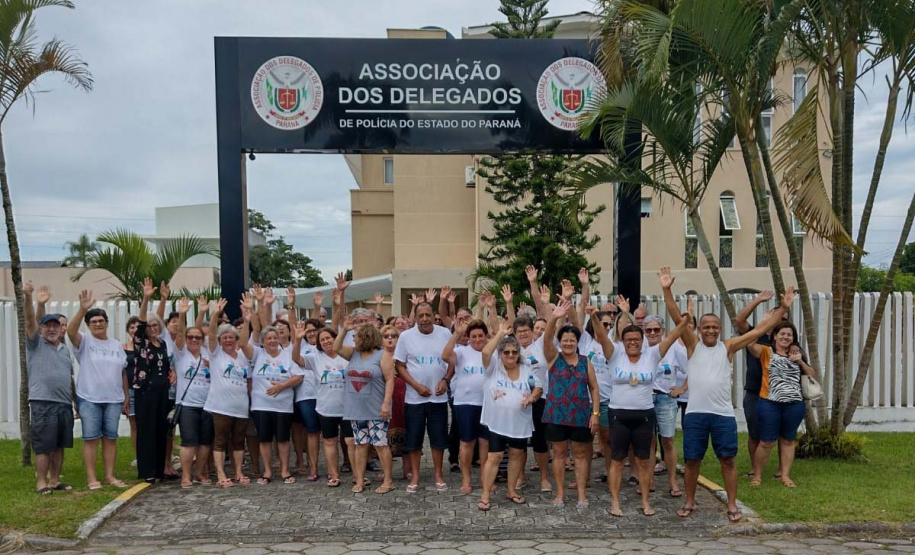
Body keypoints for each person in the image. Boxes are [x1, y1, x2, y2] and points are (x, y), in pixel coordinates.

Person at [663, 267, 795, 523]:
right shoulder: (692, 345)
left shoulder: (728, 347)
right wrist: (667, 289)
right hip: (696, 414)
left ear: (720, 329)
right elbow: (675, 314)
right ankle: (689, 502)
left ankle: (732, 505)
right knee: (692, 461)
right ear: (698, 329)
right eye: (706, 327)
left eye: (715, 327)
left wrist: (783, 309)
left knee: (728, 460)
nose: (711, 331)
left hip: (722, 415)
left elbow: (759, 331)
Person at [607, 299, 690, 517]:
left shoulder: (652, 355)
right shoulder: (615, 354)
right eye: (628, 339)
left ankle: (645, 502)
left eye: (636, 339)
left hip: (644, 414)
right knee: (617, 461)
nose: (632, 342)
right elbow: (601, 334)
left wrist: (685, 321)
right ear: (623, 341)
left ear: (642, 340)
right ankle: (615, 502)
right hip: (618, 414)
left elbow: (672, 337)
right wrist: (614, 315)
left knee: (644, 461)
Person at [475, 319, 542, 511]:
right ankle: (485, 495)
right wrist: (500, 334)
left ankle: (511, 490)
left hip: (520, 422)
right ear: (500, 354)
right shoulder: (493, 368)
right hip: (497, 423)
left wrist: (532, 397)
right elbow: (485, 352)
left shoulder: (527, 369)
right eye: (506, 352)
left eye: (514, 352)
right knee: (494, 457)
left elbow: (538, 387)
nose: (511, 355)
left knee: (516, 455)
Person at [541, 299, 600, 509]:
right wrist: (554, 317)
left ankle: (582, 494)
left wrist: (595, 414)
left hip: (580, 416)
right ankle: (559, 493)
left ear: (577, 342)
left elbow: (594, 388)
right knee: (558, 454)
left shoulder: (585, 362)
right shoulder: (553, 358)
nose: (568, 343)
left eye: (572, 340)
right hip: (556, 415)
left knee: (580, 455)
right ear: (560, 342)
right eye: (564, 340)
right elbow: (546, 338)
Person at [68, 289, 129, 490]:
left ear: (107, 323)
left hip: (113, 399)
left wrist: (126, 396)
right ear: (88, 325)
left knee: (111, 438)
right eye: (93, 321)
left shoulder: (116, 345)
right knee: (91, 439)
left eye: (101, 321)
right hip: (89, 398)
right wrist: (82, 309)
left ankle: (110, 476)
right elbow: (70, 332)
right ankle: (92, 478)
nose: (97, 324)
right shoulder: (85, 341)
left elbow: (123, 372)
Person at [247, 288, 304, 485]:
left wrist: (282, 386)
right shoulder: (257, 354)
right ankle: (268, 471)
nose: (272, 340)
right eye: (268, 338)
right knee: (264, 439)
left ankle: (285, 470)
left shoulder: (287, 355)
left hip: (283, 406)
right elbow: (253, 332)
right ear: (263, 341)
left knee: (283, 439)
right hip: (261, 405)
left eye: (274, 338)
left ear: (279, 339)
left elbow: (298, 376)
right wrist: (258, 304)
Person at [749, 322, 817, 488]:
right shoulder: (766, 351)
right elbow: (750, 343)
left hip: (794, 404)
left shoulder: (797, 353)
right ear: (775, 335)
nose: (786, 337)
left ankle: (785, 476)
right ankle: (757, 476)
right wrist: (765, 324)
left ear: (793, 338)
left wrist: (800, 361)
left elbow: (812, 374)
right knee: (766, 442)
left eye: (789, 335)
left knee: (788, 440)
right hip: (769, 403)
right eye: (782, 334)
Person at [394, 301, 452, 493]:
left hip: (438, 397)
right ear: (416, 317)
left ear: (434, 315)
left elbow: (453, 361)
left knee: (438, 439)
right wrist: (416, 386)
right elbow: (400, 366)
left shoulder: (445, 333)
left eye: (428, 315)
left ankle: (438, 474)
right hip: (414, 398)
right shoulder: (406, 336)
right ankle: (415, 476)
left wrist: (445, 380)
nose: (425, 319)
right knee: (414, 439)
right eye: (421, 316)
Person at [333, 318, 397, 494]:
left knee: (380, 444)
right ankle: (360, 481)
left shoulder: (382, 355)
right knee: (360, 445)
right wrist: (344, 330)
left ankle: (388, 481)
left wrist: (386, 404)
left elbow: (390, 380)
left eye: (356, 336)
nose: (353, 339)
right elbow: (336, 348)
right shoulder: (353, 353)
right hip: (356, 410)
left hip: (377, 409)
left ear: (366, 337)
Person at [24, 283, 75, 494]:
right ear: (42, 329)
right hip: (43, 402)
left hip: (64, 403)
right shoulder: (35, 344)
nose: (52, 329)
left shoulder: (64, 350)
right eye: (48, 326)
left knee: (59, 445)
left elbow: (70, 378)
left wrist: (75, 403)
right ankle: (41, 483)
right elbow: (30, 320)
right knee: (44, 445)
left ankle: (54, 481)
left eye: (56, 326)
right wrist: (33, 299)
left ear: (61, 328)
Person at [204, 298, 253, 488]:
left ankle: (238, 472)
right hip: (221, 407)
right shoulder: (216, 354)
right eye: (224, 337)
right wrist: (215, 314)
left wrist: (247, 320)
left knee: (239, 442)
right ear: (220, 341)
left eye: (231, 337)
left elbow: (246, 338)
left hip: (240, 407)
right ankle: (221, 474)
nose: (228, 340)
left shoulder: (243, 357)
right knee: (220, 441)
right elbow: (211, 334)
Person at [293, 326, 350, 487]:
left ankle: (357, 476)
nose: (326, 341)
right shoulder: (315, 357)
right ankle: (334, 475)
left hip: (348, 407)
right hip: (326, 408)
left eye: (328, 338)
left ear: (335, 338)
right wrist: (298, 339)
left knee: (351, 442)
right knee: (330, 441)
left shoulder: (346, 354)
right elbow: (296, 358)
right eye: (322, 340)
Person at [132, 278, 176, 483]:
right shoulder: (141, 343)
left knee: (161, 429)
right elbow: (141, 322)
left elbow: (166, 365)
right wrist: (146, 298)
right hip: (146, 391)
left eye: (155, 325)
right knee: (147, 430)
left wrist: (172, 372)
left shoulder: (163, 344)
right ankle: (147, 470)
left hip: (163, 392)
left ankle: (159, 469)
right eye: (149, 326)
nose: (153, 328)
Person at [735, 290, 780, 478]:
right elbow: (739, 320)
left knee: (781, 433)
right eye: (775, 317)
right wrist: (758, 300)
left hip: (778, 393)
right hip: (754, 391)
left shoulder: (784, 339)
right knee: (754, 432)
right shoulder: (754, 334)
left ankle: (781, 470)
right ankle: (755, 468)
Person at [442, 318, 489, 495]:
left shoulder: (491, 352)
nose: (477, 339)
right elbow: (445, 356)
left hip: (487, 403)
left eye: (480, 336)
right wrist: (457, 333)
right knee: (467, 442)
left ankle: (485, 478)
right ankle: (466, 478)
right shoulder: (461, 352)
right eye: (473, 336)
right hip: (465, 404)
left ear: (486, 336)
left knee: (485, 442)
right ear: (468, 337)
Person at [172, 297, 213, 488]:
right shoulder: (181, 354)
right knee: (189, 442)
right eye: (191, 337)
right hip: (187, 404)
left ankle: (199, 473)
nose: (194, 340)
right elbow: (180, 333)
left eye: (198, 337)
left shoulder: (207, 353)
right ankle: (186, 475)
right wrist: (182, 314)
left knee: (205, 443)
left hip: (208, 404)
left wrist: (204, 312)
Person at [645, 314, 687, 498]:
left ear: (662, 331)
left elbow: (691, 368)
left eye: (656, 329)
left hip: (666, 399)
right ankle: (649, 480)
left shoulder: (674, 348)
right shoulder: (642, 348)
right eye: (648, 330)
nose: (652, 333)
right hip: (646, 398)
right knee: (649, 442)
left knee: (667, 440)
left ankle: (672, 481)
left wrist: (682, 388)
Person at [511, 315, 551, 492]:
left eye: (526, 330)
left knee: (539, 440)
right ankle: (520, 476)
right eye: (519, 331)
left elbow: (551, 326)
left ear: (533, 331)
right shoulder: (512, 349)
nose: (523, 334)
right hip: (518, 400)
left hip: (540, 398)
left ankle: (544, 477)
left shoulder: (540, 345)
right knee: (519, 441)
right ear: (514, 333)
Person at [293, 317, 324, 481]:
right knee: (312, 432)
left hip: (325, 395)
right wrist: (298, 339)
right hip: (306, 395)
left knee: (329, 435)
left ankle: (332, 468)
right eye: (309, 331)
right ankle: (313, 468)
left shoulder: (326, 346)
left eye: (314, 330)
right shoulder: (302, 346)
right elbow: (295, 358)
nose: (312, 333)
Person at [122, 316, 140, 466]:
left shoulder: (147, 348)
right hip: (130, 390)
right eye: (132, 327)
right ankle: (138, 456)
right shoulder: (122, 348)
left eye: (137, 327)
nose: (135, 330)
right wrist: (125, 394)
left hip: (145, 390)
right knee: (134, 425)